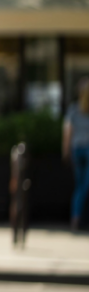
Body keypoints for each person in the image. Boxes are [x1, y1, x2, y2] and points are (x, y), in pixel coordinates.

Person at [63, 77, 89, 232]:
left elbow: (67, 133)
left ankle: (76, 218)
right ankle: (77, 218)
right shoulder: (74, 109)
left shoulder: (73, 109)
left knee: (80, 187)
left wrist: (66, 151)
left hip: (76, 150)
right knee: (83, 187)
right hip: (84, 150)